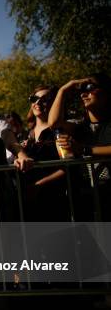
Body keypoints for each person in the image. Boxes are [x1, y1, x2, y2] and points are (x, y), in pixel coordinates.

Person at [47, 73, 111, 220]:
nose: (84, 94)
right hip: (90, 197)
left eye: (89, 87)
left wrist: (84, 149)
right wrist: (63, 90)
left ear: (106, 92)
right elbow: (54, 124)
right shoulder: (80, 126)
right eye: (81, 90)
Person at [21, 86, 68, 221]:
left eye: (45, 99)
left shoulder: (59, 131)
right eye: (34, 99)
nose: (38, 103)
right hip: (28, 204)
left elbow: (69, 166)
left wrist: (39, 185)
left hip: (55, 200)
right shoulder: (25, 134)